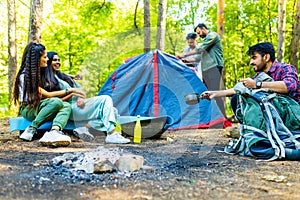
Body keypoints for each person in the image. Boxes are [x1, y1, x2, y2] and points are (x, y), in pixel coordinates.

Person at [40, 51, 130, 144]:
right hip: (70, 108)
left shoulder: (63, 77)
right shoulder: (46, 80)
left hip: (80, 105)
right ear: (49, 61)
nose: (58, 62)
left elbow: (80, 90)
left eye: (59, 60)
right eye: (55, 60)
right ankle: (112, 134)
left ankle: (84, 128)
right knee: (105, 99)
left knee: (113, 111)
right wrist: (71, 95)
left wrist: (80, 98)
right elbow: (52, 102)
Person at [12, 42, 83, 147]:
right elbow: (48, 95)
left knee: (66, 106)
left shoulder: (36, 71)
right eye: (44, 57)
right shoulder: (25, 76)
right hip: (28, 108)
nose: (47, 59)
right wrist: (70, 90)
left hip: (39, 106)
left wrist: (72, 76)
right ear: (37, 59)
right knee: (56, 102)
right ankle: (32, 128)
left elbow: (57, 73)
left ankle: (54, 132)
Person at [200, 42, 300, 113]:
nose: (251, 62)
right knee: (237, 98)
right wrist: (215, 93)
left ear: (266, 57)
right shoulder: (259, 76)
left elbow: (290, 85)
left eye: (254, 58)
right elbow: (238, 90)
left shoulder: (285, 68)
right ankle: (252, 133)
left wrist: (257, 84)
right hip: (273, 114)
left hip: (292, 113)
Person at [178, 23, 226, 117]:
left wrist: (184, 55)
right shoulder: (206, 42)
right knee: (205, 93)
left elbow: (200, 49)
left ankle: (223, 117)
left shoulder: (212, 36)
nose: (199, 35)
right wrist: (183, 60)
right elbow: (198, 57)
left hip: (214, 67)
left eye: (199, 32)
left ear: (203, 28)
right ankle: (210, 117)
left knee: (214, 92)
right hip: (207, 69)